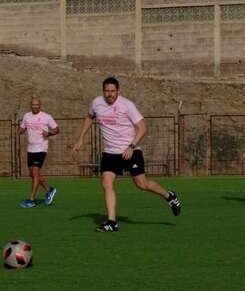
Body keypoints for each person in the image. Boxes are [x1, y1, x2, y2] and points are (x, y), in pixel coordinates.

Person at [72, 77, 181, 232]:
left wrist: (131, 146)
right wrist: (80, 139)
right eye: (107, 91)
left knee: (141, 184)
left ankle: (169, 196)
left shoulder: (127, 105)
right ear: (103, 91)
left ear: (118, 91)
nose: (109, 94)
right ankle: (112, 222)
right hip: (110, 153)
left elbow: (142, 127)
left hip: (130, 151)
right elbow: (89, 117)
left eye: (112, 91)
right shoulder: (97, 103)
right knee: (106, 183)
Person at [18, 97, 59, 208]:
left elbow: (56, 129)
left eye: (37, 105)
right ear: (30, 105)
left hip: (41, 148)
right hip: (30, 149)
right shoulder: (26, 116)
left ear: (40, 105)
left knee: (35, 173)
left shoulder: (46, 117)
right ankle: (50, 190)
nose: (35, 106)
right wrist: (21, 130)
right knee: (32, 174)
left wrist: (49, 133)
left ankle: (31, 200)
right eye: (33, 104)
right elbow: (22, 128)